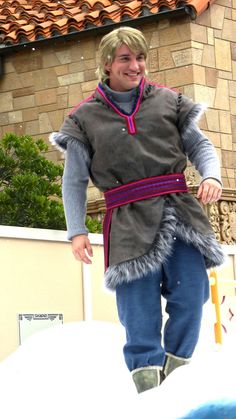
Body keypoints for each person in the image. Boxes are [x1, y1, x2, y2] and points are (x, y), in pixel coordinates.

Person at [50, 26, 224, 394]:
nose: (136, 66)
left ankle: (176, 374)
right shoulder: (84, 118)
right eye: (126, 59)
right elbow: (74, 180)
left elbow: (202, 147)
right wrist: (77, 229)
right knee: (138, 307)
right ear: (107, 64)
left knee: (192, 293)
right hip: (127, 219)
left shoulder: (169, 101)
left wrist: (212, 176)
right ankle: (147, 385)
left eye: (141, 57)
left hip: (180, 211)